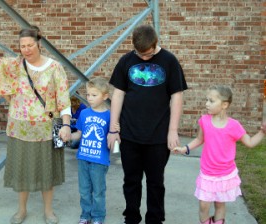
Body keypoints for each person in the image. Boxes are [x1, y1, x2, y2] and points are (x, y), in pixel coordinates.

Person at [0, 12, 71, 224]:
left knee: (47, 173)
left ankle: (48, 211)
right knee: (22, 171)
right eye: (22, 46)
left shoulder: (55, 68)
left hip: (46, 129)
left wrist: (65, 124)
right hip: (20, 129)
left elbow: (64, 99)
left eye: (29, 45)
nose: (25, 49)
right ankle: (22, 210)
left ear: (39, 43)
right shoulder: (16, 65)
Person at [107, 24, 188, 224]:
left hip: (159, 136)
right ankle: (132, 218)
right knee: (131, 181)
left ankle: (155, 219)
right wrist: (113, 127)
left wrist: (172, 131)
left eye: (148, 54)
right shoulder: (126, 60)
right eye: (139, 54)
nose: (144, 57)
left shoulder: (169, 61)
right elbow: (118, 94)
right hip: (129, 134)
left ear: (155, 44)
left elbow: (177, 96)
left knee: (155, 182)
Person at [172, 85, 266, 224]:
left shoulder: (234, 125)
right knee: (204, 205)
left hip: (225, 174)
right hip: (208, 173)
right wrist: (184, 148)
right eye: (207, 100)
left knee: (220, 204)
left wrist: (262, 132)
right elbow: (199, 139)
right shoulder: (204, 121)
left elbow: (250, 143)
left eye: (211, 101)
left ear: (224, 105)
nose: (206, 104)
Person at [70, 77, 113, 224]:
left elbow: (113, 140)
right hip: (83, 158)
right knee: (84, 191)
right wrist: (68, 136)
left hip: (99, 161)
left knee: (98, 192)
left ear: (105, 96)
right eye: (88, 95)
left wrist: (116, 134)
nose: (90, 98)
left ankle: (98, 217)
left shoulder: (110, 116)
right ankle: (85, 215)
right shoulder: (84, 113)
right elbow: (79, 134)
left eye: (94, 95)